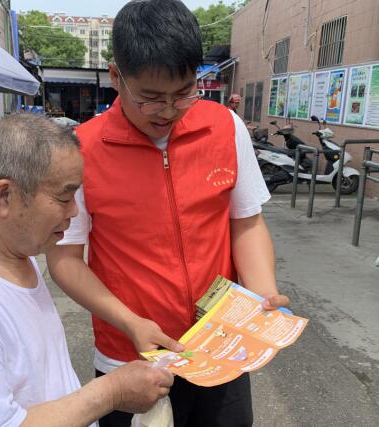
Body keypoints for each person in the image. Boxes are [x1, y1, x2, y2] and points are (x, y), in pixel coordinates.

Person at [46, 1, 290, 426]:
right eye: (151, 99)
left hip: (220, 347)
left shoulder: (224, 127)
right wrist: (129, 322)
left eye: (184, 93)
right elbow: (65, 259)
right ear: (116, 77)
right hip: (131, 357)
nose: (169, 110)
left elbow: (247, 223)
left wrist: (263, 295)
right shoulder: (82, 151)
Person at [0, 114, 174, 427]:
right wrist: (112, 391)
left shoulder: (16, 253)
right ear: (5, 196)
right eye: (64, 197)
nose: (74, 210)